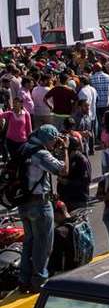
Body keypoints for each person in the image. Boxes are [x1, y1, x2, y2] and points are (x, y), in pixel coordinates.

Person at [16, 125, 68, 292]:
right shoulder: (41, 153)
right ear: (48, 138)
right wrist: (65, 149)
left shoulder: (24, 147)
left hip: (23, 203)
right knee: (43, 244)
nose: (55, 143)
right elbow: (63, 170)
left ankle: (23, 279)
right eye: (54, 140)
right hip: (39, 205)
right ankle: (39, 280)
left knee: (29, 242)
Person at [56, 136, 91, 212]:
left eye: (64, 149)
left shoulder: (82, 160)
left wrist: (68, 182)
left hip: (78, 200)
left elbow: (86, 181)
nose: (62, 151)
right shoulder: (65, 159)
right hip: (65, 199)